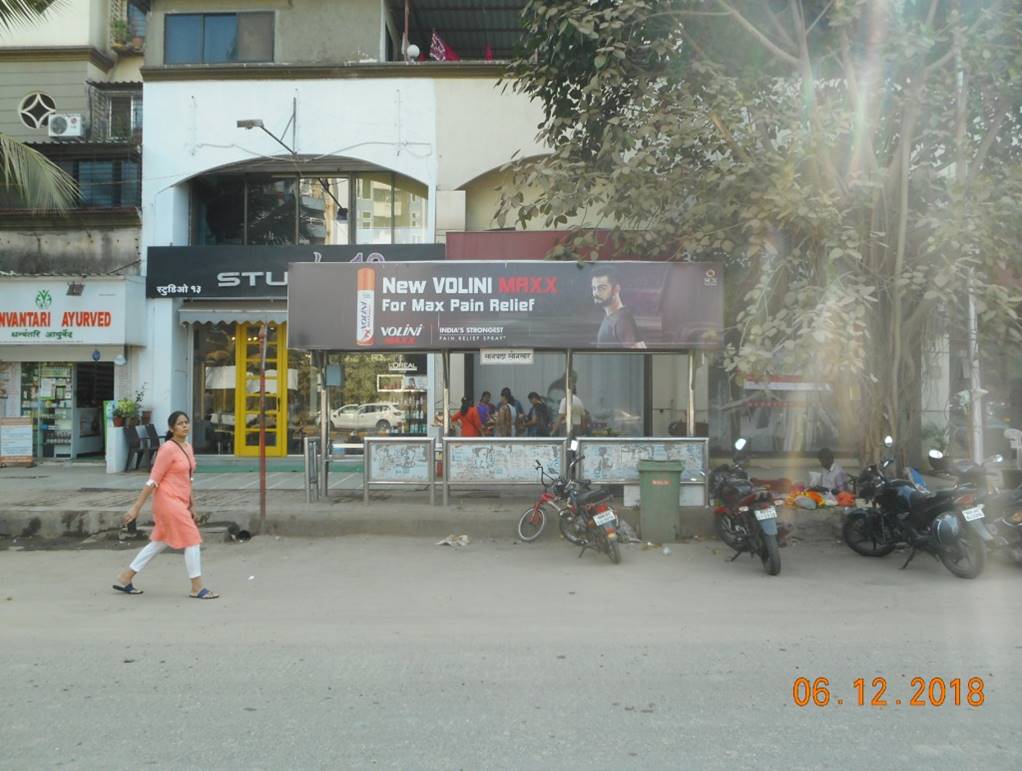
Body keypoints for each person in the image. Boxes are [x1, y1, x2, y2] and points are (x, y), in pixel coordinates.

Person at [112, 411, 220, 599]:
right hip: (167, 501)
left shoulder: (187, 447)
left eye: (186, 422)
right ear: (171, 428)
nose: (185, 426)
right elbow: (153, 480)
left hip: (181, 500)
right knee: (192, 539)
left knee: (160, 542)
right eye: (180, 423)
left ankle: (126, 577)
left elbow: (188, 478)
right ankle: (197, 587)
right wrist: (136, 507)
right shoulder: (167, 449)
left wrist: (192, 504)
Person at [592, 267, 646, 348]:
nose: (596, 293)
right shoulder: (613, 316)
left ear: (616, 289)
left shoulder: (622, 320)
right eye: (594, 288)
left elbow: (638, 354)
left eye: (601, 288)